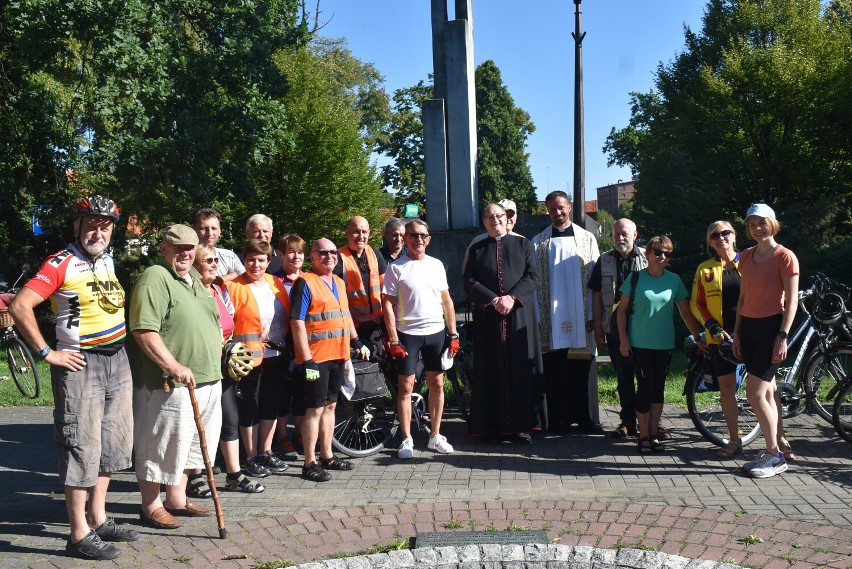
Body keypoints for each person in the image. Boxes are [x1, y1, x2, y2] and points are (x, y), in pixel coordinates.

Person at [9, 196, 137, 560]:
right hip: (80, 365)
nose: (99, 231)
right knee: (81, 445)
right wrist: (47, 353)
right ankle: (78, 533)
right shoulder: (61, 262)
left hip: (118, 359)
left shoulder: (108, 259)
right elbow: (20, 306)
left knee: (112, 444)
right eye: (91, 224)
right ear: (77, 227)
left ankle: (98, 517)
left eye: (105, 225)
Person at [128, 224, 222, 530]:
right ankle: (150, 505)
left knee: (189, 445)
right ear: (163, 249)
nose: (185, 252)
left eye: (190, 247)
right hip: (169, 383)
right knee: (159, 444)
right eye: (178, 247)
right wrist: (173, 365)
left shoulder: (193, 277)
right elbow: (144, 330)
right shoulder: (155, 277)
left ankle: (176, 499)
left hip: (206, 378)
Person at [616, 236, 705, 454]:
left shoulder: (673, 280)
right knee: (645, 388)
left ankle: (653, 433)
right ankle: (643, 435)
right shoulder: (635, 279)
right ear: (647, 254)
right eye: (657, 252)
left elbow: (685, 312)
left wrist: (698, 338)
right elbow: (621, 311)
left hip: (664, 344)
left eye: (667, 253)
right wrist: (623, 340)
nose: (662, 257)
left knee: (658, 389)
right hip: (640, 343)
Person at [462, 204, 542, 443]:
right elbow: (467, 279)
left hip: (518, 316)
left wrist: (511, 298)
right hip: (488, 318)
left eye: (499, 216)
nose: (494, 220)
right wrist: (493, 299)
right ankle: (489, 426)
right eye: (489, 217)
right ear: (484, 221)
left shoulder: (524, 244)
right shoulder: (476, 247)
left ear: (507, 219)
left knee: (519, 370)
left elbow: (532, 276)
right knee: (489, 368)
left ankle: (521, 427)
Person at [291, 238, 368, 480]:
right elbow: (297, 322)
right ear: (312, 257)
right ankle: (309, 463)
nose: (329, 257)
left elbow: (344, 316)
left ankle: (327, 455)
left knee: (331, 406)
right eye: (323, 253)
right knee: (314, 409)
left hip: (338, 353)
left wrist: (356, 341)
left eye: (333, 252)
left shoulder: (338, 281)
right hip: (316, 358)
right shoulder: (306, 282)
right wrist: (307, 360)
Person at [382, 219, 460, 458]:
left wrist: (454, 333)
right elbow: (386, 304)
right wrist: (394, 338)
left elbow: (446, 300)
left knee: (436, 383)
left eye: (422, 235)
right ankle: (406, 439)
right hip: (408, 333)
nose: (418, 240)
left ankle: (435, 436)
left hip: (436, 332)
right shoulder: (396, 267)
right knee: (406, 386)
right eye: (413, 235)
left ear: (429, 239)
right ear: (405, 238)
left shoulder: (436, 265)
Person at [190, 244, 264, 494]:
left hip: (222, 366)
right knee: (199, 422)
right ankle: (195, 476)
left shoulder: (219, 290)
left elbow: (228, 324)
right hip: (199, 367)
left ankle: (234, 475)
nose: (213, 264)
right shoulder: (190, 292)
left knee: (229, 419)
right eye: (207, 260)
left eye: (214, 260)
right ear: (193, 264)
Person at [733, 204, 799, 478]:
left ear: (772, 223)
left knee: (755, 394)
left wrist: (782, 337)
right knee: (768, 392)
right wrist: (737, 333)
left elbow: (792, 301)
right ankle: (774, 449)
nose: (757, 228)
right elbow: (743, 297)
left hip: (771, 328)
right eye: (752, 224)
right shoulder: (746, 256)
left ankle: (774, 454)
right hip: (748, 328)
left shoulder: (785, 257)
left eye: (762, 223)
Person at [532, 191, 601, 433]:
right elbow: (533, 285)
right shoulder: (538, 242)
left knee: (581, 368)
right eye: (552, 209)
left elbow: (595, 278)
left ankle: (586, 418)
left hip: (581, 315)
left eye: (561, 207)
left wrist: (593, 313)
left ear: (569, 207)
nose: (557, 213)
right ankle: (558, 418)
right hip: (550, 317)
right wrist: (539, 317)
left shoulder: (587, 239)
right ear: (548, 211)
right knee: (555, 368)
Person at [224, 239, 292, 477]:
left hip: (276, 354)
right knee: (250, 406)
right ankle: (251, 456)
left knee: (271, 404)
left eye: (261, 260)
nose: (256, 264)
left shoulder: (275, 283)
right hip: (247, 359)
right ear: (244, 261)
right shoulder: (235, 286)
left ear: (268, 261)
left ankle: (266, 451)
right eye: (251, 259)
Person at [587, 218, 648, 438]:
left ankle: (652, 422)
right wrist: (597, 328)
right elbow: (595, 295)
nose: (619, 238)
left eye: (624, 233)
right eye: (615, 234)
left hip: (643, 329)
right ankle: (628, 422)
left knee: (646, 377)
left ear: (635, 234)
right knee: (624, 378)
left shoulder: (649, 257)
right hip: (613, 330)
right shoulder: (604, 261)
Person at [691, 221, 743, 458]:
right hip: (720, 338)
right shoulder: (705, 269)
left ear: (734, 235)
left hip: (751, 334)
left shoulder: (750, 261)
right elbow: (696, 303)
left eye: (725, 233)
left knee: (765, 389)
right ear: (709, 241)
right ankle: (734, 441)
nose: (721, 237)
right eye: (715, 235)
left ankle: (780, 441)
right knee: (727, 389)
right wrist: (711, 326)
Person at [271, 234, 307, 460]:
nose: (296, 256)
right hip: (282, 345)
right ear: (281, 254)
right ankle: (283, 436)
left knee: (304, 394)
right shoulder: (272, 281)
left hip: (306, 346)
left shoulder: (310, 279)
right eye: (291, 252)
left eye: (300, 252)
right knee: (283, 395)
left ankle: (302, 435)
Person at [334, 216, 388, 337]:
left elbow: (385, 287)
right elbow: (335, 297)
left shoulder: (374, 252)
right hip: (351, 325)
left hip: (377, 323)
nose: (361, 236)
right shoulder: (338, 257)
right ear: (346, 233)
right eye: (356, 231)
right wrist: (360, 317)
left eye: (364, 232)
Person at [461, 198, 521, 272]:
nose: (507, 218)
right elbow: (466, 273)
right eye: (502, 215)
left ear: (516, 217)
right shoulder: (478, 242)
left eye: (510, 215)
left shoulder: (523, 243)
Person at [193, 208, 245, 284]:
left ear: (220, 231)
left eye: (214, 228)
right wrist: (230, 276)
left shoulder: (229, 256)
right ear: (194, 229)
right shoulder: (188, 256)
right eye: (204, 228)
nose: (209, 233)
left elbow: (246, 279)